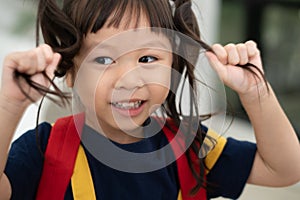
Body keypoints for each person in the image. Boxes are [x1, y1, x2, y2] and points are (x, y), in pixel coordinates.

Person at [0, 0, 300, 199]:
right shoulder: (43, 149)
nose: (129, 79)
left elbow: (285, 169)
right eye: (103, 58)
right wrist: (9, 105)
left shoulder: (191, 146)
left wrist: (255, 91)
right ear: (70, 71)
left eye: (147, 57)